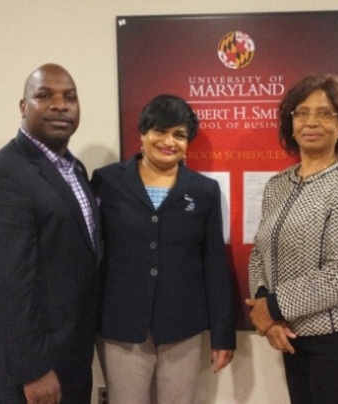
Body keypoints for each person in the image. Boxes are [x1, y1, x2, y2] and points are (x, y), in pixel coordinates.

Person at [246, 74, 338, 404]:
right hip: (293, 335)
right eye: (301, 112)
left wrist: (273, 308)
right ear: (290, 122)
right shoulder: (277, 184)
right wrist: (265, 306)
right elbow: (258, 253)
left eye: (325, 113)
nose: (311, 122)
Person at [0, 63, 101, 403]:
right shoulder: (3, 174)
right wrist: (33, 371)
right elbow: (7, 285)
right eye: (45, 95)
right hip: (31, 369)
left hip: (71, 356)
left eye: (69, 97)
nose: (60, 104)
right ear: (23, 107)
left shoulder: (74, 168)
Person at [92, 94, 235, 404]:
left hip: (182, 325)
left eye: (180, 135)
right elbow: (93, 253)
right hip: (122, 324)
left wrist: (223, 334)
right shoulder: (107, 181)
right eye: (160, 131)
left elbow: (214, 263)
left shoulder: (204, 191)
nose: (169, 141)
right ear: (143, 133)